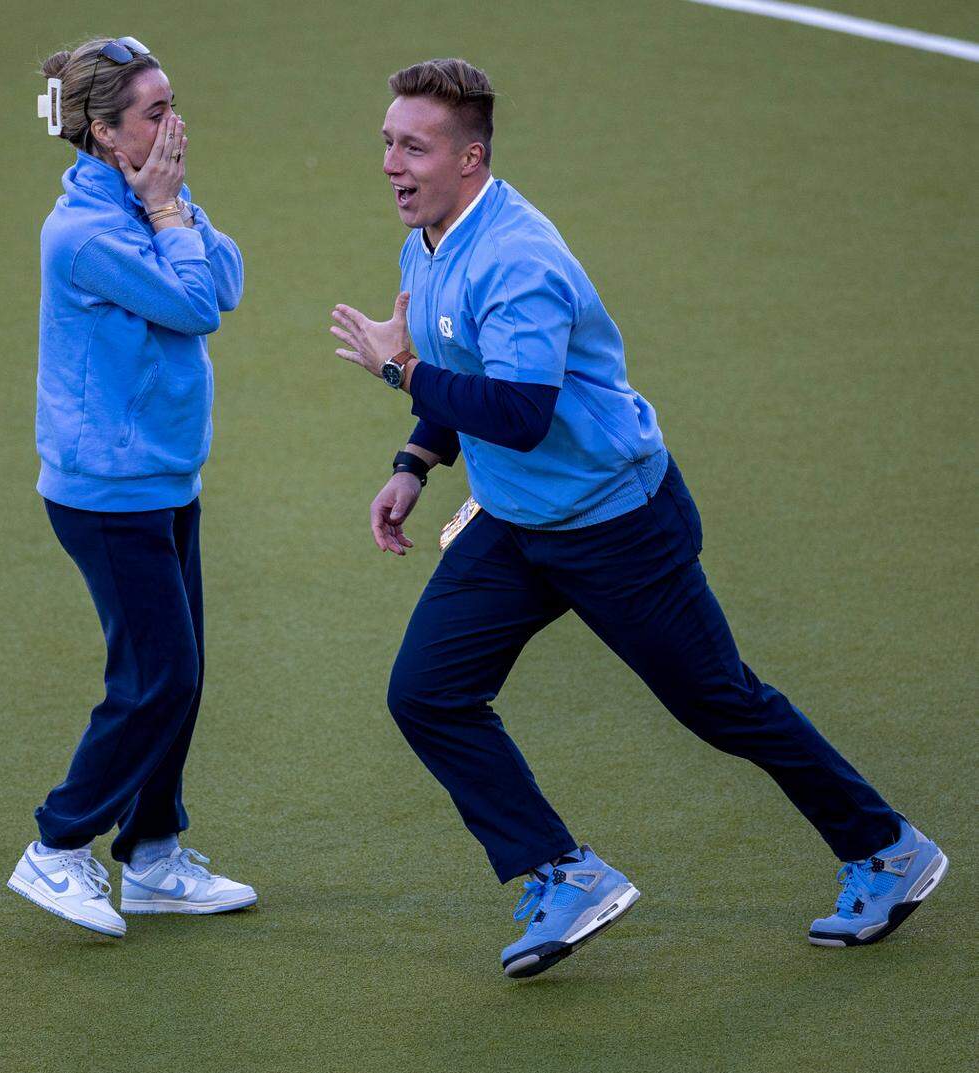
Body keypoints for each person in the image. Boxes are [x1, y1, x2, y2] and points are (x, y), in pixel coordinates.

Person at [330, 58, 947, 978]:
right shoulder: (428, 238)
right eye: (388, 142)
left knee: (721, 703)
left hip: (615, 521)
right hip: (516, 518)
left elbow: (521, 412)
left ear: (470, 157)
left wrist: (400, 370)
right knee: (427, 691)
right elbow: (466, 369)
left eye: (412, 147)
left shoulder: (518, 258)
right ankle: (562, 873)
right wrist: (417, 461)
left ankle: (887, 848)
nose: (390, 163)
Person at [8, 36, 256, 937]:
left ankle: (152, 853)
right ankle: (57, 844)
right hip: (107, 494)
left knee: (175, 673)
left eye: (172, 102)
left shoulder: (151, 203)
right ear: (107, 133)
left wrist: (171, 206)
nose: (175, 123)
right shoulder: (85, 234)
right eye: (155, 112)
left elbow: (227, 279)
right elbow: (194, 306)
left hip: (164, 479)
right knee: (160, 675)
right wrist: (167, 212)